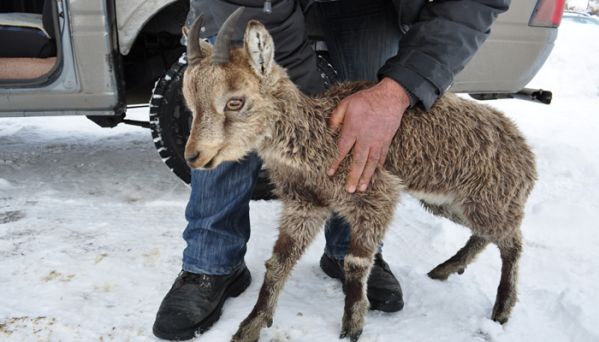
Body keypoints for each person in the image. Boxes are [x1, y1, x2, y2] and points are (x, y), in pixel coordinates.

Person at [152, 0, 510, 340]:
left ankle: (347, 249)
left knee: (371, 105)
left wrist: (397, 91)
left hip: (370, 6)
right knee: (230, 92)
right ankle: (211, 262)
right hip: (247, 4)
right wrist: (305, 120)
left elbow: (471, 7)